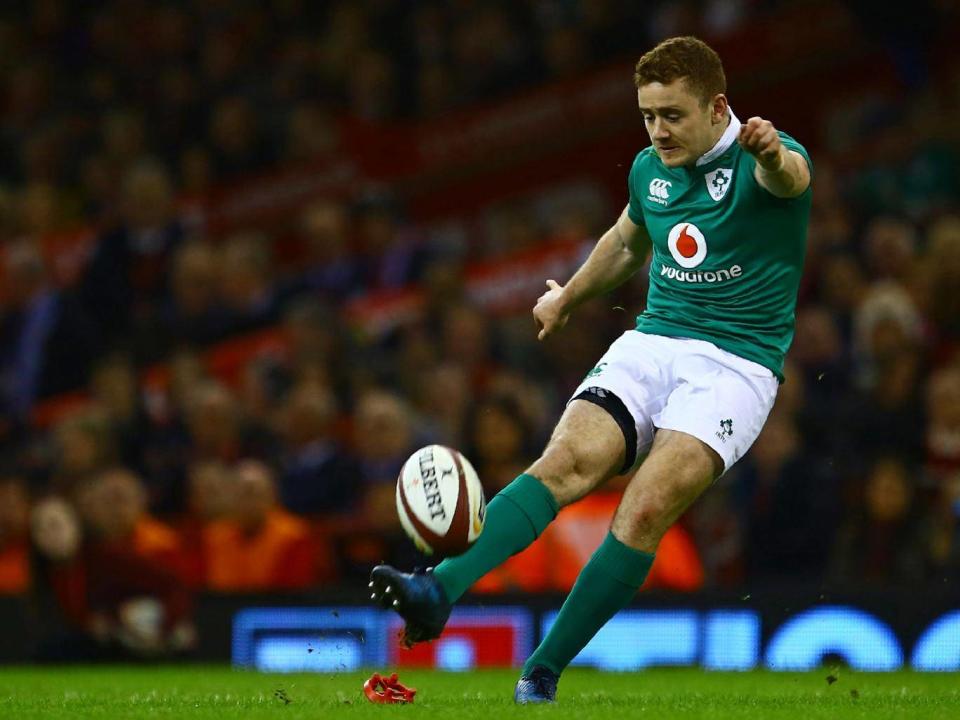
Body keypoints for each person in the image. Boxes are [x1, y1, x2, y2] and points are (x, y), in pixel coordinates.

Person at [369, 35, 812, 703]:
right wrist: (568, 296)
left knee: (643, 510)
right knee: (566, 463)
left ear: (717, 107)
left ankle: (540, 672)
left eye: (673, 115)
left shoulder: (766, 156)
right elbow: (629, 238)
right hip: (655, 339)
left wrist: (773, 153)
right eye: (648, 116)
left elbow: (792, 180)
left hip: (735, 365)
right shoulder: (648, 170)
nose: (658, 131)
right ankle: (439, 588)